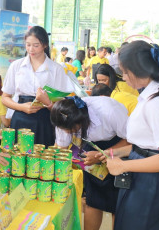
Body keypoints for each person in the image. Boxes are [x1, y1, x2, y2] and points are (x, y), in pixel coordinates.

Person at [105, 41, 159, 230]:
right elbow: (146, 143)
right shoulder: (150, 96)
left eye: (125, 72)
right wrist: (115, 153)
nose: (124, 78)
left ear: (137, 70)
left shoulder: (157, 104)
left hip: (153, 180)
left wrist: (123, 165)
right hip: (143, 173)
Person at [51, 96, 129, 230]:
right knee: (93, 201)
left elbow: (130, 140)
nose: (67, 134)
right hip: (90, 150)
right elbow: (61, 147)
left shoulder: (109, 111)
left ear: (81, 121)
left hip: (118, 147)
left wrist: (102, 155)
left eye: (71, 131)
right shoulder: (63, 117)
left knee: (117, 204)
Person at [1, 26, 74, 147]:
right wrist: (21, 107)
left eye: (36, 45)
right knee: (19, 159)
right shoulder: (16, 66)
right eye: (28, 45)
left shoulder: (56, 69)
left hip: (45, 119)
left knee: (42, 160)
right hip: (20, 118)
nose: (31, 49)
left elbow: (63, 105)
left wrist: (49, 103)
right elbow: (5, 98)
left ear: (45, 45)